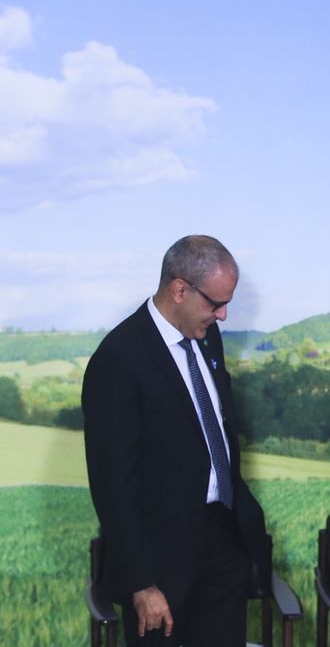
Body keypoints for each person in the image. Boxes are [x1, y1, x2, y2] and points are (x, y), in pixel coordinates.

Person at [83, 235, 270, 646]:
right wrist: (141, 583)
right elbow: (113, 485)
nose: (223, 316)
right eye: (215, 303)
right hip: (159, 562)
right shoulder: (117, 360)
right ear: (179, 289)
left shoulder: (206, 336)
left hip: (223, 541)